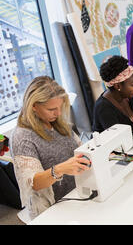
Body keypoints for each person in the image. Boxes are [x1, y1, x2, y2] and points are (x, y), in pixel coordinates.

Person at [11, 76, 91, 219]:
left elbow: (82, 149)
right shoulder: (22, 137)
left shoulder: (58, 123)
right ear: (34, 106)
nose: (58, 113)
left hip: (77, 195)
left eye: (60, 107)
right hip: (52, 209)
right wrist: (60, 169)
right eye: (51, 109)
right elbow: (34, 183)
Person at [92, 56, 133, 146]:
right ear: (118, 86)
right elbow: (122, 141)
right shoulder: (104, 108)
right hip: (109, 151)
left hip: (128, 145)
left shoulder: (126, 96)